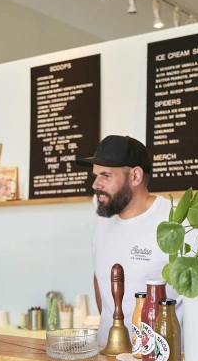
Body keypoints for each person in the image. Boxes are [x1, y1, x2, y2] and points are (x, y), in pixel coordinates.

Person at [77, 135, 183, 347]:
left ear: (135, 176)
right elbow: (100, 282)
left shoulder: (178, 221)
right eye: (96, 175)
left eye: (105, 175)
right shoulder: (102, 228)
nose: (96, 184)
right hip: (109, 358)